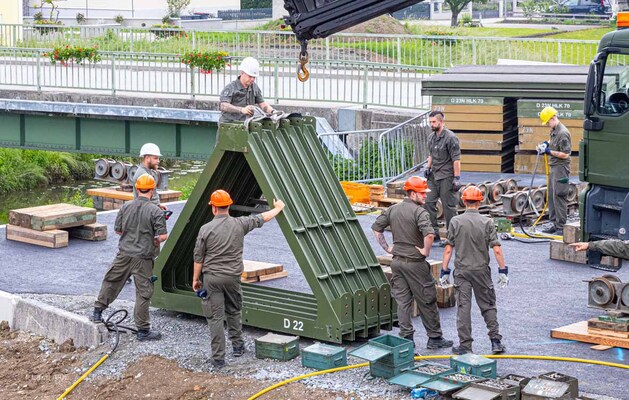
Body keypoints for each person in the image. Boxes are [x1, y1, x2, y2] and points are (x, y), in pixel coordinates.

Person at [192, 190, 285, 368]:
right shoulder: (240, 224)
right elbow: (262, 218)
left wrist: (196, 279)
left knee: (215, 317)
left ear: (213, 208)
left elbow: (198, 258)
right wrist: (278, 208)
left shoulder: (205, 229)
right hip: (233, 277)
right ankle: (238, 346)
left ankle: (218, 358)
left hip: (212, 278)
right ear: (229, 205)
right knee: (234, 311)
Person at [371, 176, 453, 350]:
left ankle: (406, 338)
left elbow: (376, 228)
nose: (425, 196)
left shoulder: (393, 209)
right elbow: (429, 234)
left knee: (403, 302)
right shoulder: (420, 212)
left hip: (397, 263)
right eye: (422, 193)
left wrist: (387, 248)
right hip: (415, 264)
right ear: (413, 193)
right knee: (427, 300)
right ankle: (434, 337)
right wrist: (425, 251)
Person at [90, 174, 168, 341]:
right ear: (153, 189)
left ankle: (97, 312)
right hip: (144, 258)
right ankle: (142, 330)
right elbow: (162, 237)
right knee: (143, 293)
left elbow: (118, 231)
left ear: (137, 189)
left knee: (111, 281)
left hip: (124, 254)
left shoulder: (125, 207)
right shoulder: (156, 211)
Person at [440, 186, 508, 355]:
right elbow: (497, 249)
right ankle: (496, 342)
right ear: (480, 201)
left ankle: (465, 345)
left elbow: (448, 249)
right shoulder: (487, 222)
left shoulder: (456, 221)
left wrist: (444, 271)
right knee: (488, 306)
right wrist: (503, 270)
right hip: (481, 271)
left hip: (462, 272)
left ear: (463, 201)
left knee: (463, 308)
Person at [424, 110, 462, 246]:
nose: (431, 124)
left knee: (449, 207)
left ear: (441, 122)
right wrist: (428, 167)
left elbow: (456, 160)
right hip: (434, 175)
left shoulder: (451, 138)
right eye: (430, 122)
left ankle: (452, 238)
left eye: (434, 122)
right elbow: (431, 154)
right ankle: (434, 236)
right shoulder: (431, 137)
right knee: (428, 202)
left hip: (447, 176)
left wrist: (457, 178)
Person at [536, 106, 571, 235]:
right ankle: (554, 224)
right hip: (554, 167)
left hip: (561, 168)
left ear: (553, 118)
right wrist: (546, 143)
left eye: (547, 122)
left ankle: (561, 227)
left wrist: (548, 151)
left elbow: (565, 154)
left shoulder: (563, 133)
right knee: (551, 195)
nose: (547, 125)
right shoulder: (555, 130)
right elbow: (553, 140)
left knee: (559, 195)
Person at [219, 57, 274, 124]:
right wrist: (241, 110)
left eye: (254, 77)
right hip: (229, 125)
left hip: (245, 124)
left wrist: (272, 112)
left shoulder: (254, 87)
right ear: (242, 73)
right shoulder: (231, 87)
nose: (252, 79)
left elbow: (262, 104)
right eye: (250, 76)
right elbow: (224, 106)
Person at [131, 143, 167, 211]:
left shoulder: (147, 172)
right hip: (145, 212)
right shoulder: (143, 175)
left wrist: (158, 205)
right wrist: (157, 209)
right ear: (147, 158)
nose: (158, 161)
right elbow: (149, 197)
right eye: (155, 158)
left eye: (158, 158)